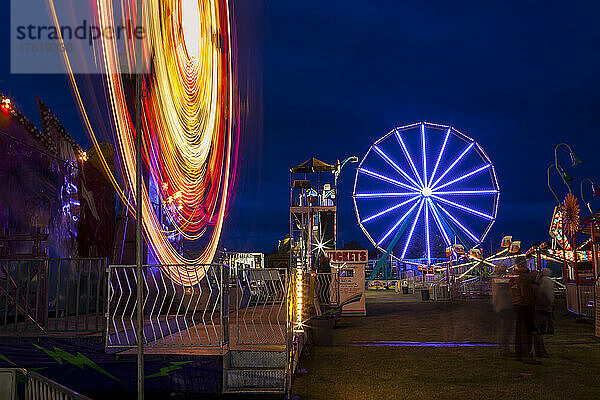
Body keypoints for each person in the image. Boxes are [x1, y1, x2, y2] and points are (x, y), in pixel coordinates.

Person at [509, 260, 540, 364]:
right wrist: (531, 302)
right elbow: (526, 293)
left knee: (518, 330)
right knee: (527, 330)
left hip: (516, 304)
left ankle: (519, 352)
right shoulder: (524, 277)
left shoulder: (513, 277)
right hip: (525, 305)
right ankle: (526, 355)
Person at [492, 264, 514, 356]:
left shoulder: (497, 280)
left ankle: (503, 347)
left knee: (504, 328)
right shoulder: (499, 280)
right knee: (506, 328)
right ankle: (504, 349)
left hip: (501, 306)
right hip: (505, 306)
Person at [532, 268, 554, 357]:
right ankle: (540, 350)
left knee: (538, 329)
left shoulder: (538, 283)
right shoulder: (544, 282)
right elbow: (548, 294)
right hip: (542, 307)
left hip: (539, 307)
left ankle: (540, 350)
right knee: (539, 329)